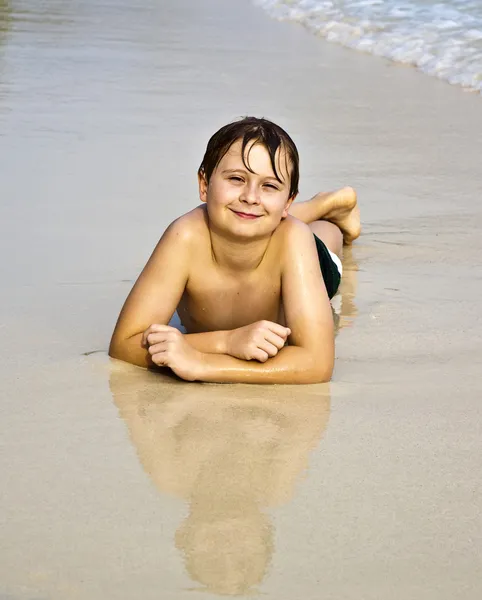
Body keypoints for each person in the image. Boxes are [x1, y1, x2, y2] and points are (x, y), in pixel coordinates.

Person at [109, 117, 361, 383]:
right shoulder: (185, 236)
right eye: (237, 178)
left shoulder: (294, 241)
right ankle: (315, 202)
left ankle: (326, 207)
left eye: (269, 185)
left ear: (288, 201)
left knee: (322, 233)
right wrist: (227, 342)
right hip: (266, 222)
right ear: (204, 185)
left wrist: (204, 363)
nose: (250, 195)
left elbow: (317, 364)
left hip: (306, 256)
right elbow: (123, 344)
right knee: (254, 214)